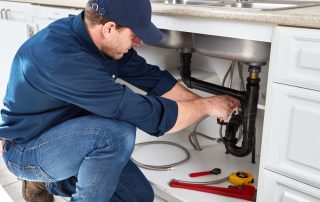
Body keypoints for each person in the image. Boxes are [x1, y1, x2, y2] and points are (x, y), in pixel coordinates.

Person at [0, 0, 239, 201]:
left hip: (70, 139)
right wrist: (206, 106)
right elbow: (149, 116)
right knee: (114, 134)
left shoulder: (97, 41)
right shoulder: (62, 57)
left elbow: (153, 79)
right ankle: (38, 176)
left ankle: (51, 184)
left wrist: (207, 105)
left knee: (139, 197)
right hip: (26, 150)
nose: (138, 43)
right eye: (134, 35)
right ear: (109, 28)